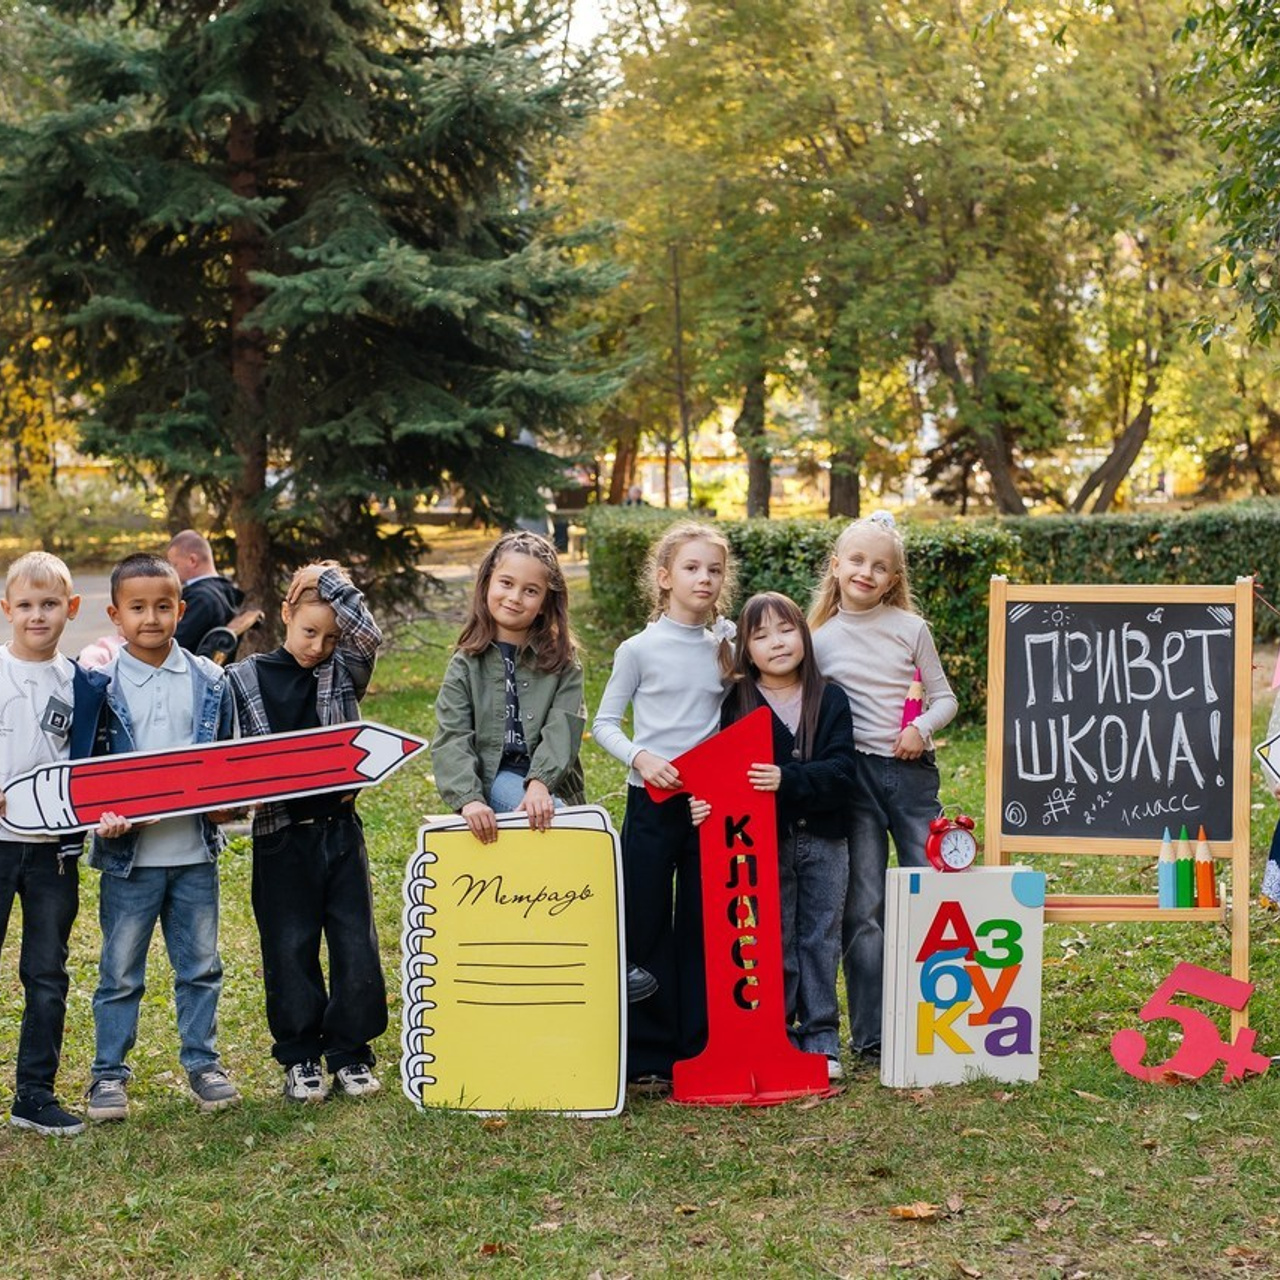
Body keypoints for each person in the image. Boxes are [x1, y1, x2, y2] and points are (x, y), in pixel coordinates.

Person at [85, 552, 240, 1122]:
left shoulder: (208, 678)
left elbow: (224, 765)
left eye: (162, 606)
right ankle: (107, 1076)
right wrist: (102, 813)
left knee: (200, 966)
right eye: (137, 607)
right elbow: (89, 768)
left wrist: (227, 808)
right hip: (130, 859)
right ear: (115, 614)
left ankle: (203, 1065)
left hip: (193, 853)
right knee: (120, 971)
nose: (151, 618)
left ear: (181, 608)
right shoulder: (98, 684)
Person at [225, 561, 387, 1103]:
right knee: (288, 947)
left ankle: (351, 1053)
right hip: (280, 835)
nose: (318, 646)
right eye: (308, 631)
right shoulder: (244, 678)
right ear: (286, 614)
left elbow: (367, 634)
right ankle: (300, 1058)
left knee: (353, 944)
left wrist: (328, 578)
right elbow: (230, 759)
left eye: (330, 636)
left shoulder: (341, 670)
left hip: (339, 830)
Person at [809, 511, 958, 1062]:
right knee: (863, 907)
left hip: (910, 775)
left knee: (935, 889)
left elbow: (945, 699)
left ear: (894, 579)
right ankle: (870, 1037)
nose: (866, 572)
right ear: (837, 566)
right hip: (855, 781)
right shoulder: (819, 639)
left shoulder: (910, 629)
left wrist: (920, 727)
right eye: (856, 561)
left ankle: (945, 1020)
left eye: (880, 566)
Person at [592, 521, 735, 1085]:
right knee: (645, 919)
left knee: (702, 920)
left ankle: (697, 1043)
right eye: (692, 568)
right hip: (650, 802)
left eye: (714, 570)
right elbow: (605, 723)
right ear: (664, 577)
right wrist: (640, 757)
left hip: (708, 805)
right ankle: (648, 1055)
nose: (704, 578)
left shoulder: (724, 645)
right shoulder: (638, 649)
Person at [720, 592, 858, 1082]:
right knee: (773, 937)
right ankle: (775, 1036)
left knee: (821, 936)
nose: (776, 643)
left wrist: (788, 780)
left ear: (804, 633)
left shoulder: (831, 697)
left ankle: (821, 1039)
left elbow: (844, 772)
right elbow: (730, 773)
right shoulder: (738, 702)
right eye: (761, 636)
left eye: (786, 629)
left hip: (826, 839)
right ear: (746, 651)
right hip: (764, 841)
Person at [0, 552, 109, 1136]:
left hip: (53, 854)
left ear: (70, 609)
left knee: (47, 973)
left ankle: (33, 1095)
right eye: (25, 605)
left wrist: (104, 814)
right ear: (6, 610)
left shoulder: (85, 686)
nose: (37, 615)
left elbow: (96, 767)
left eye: (49, 605)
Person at [431, 531, 586, 842]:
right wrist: (469, 799)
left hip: (548, 781)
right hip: (493, 776)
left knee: (562, 823)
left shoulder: (562, 661)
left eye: (530, 591)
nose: (515, 597)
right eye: (506, 583)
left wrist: (540, 782)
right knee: (556, 830)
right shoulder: (466, 664)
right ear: (488, 582)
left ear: (545, 603)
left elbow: (564, 727)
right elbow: (452, 737)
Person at [166, 530, 245, 652]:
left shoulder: (201, 599)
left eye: (174, 565)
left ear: (192, 561)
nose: (170, 572)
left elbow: (170, 647)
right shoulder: (225, 591)